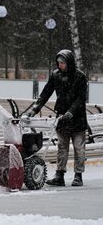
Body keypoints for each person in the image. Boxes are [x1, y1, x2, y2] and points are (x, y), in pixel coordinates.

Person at [23, 49, 88, 186]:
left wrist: (70, 113)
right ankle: (60, 175)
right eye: (58, 62)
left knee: (79, 148)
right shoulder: (56, 75)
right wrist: (34, 110)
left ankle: (78, 175)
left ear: (69, 62)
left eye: (62, 63)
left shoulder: (80, 77)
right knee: (62, 148)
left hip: (77, 119)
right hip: (61, 118)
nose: (59, 65)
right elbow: (45, 94)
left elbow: (80, 99)